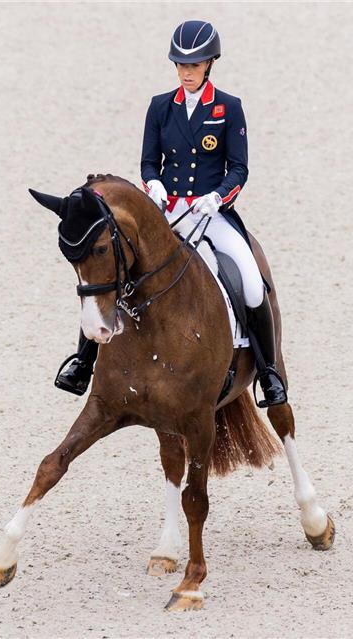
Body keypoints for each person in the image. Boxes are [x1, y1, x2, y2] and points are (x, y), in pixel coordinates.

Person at [54, 20, 287, 408]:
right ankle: (84, 360)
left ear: (210, 63)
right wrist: (154, 185)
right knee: (114, 266)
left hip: (212, 214)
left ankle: (267, 373)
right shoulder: (161, 107)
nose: (186, 73)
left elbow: (238, 168)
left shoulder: (228, 108)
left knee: (249, 279)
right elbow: (149, 162)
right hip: (169, 212)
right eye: (180, 65)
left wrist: (216, 197)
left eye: (193, 66)